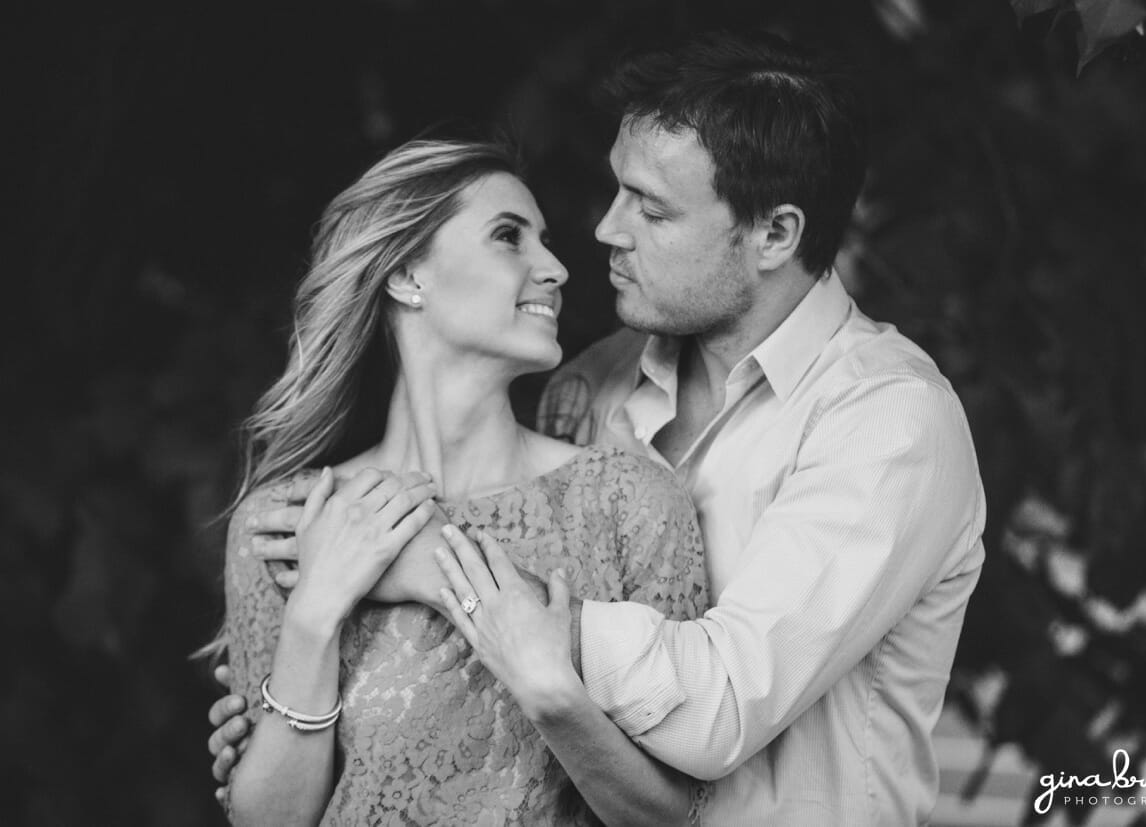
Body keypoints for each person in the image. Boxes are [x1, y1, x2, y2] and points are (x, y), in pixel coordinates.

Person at [210, 30, 986, 825]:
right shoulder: (590, 388)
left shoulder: (886, 421)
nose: (605, 233)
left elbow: (722, 700)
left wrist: (426, 564)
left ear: (775, 235)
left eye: (651, 208)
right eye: (618, 191)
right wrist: (286, 700)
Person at [211, 137, 708, 826]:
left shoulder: (629, 503)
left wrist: (549, 688)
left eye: (546, 240)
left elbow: (680, 813)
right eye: (509, 236)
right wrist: (315, 614)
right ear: (408, 273)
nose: (558, 268)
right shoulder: (288, 524)